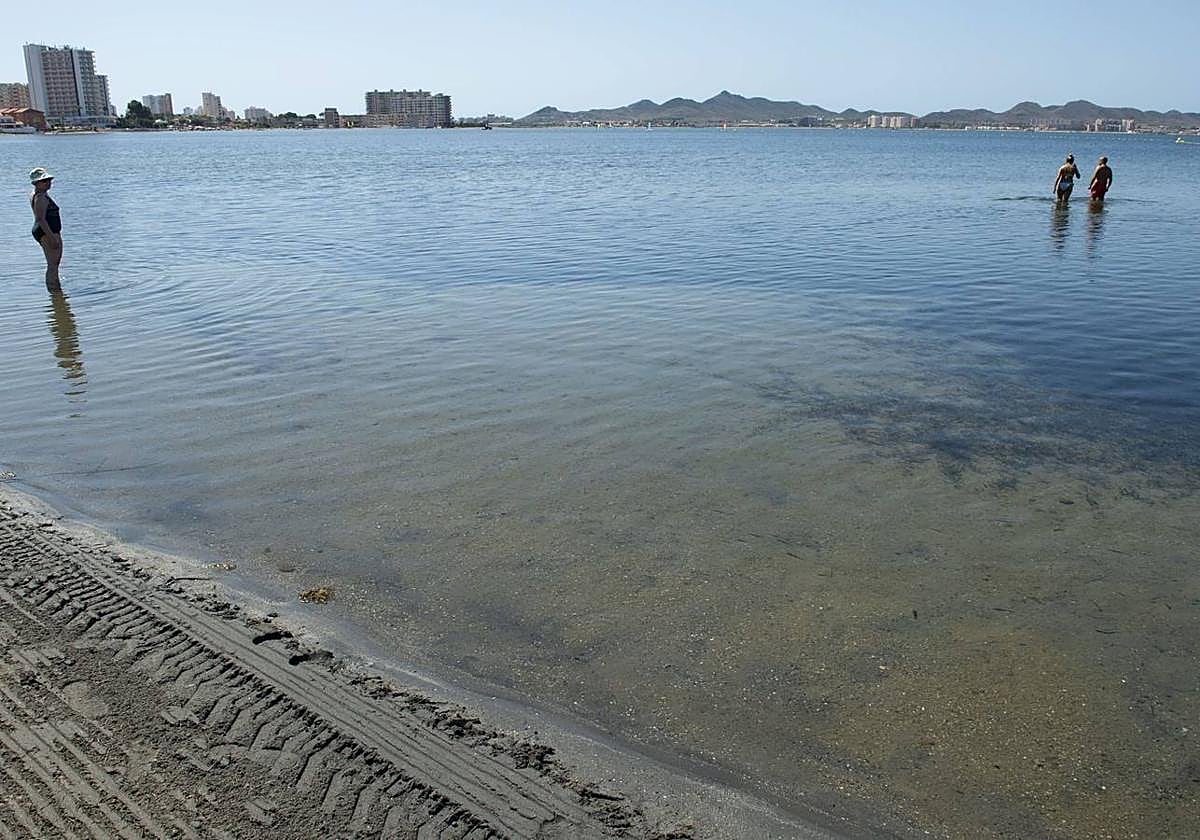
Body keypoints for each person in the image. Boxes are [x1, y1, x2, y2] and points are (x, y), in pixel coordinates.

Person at [29, 167, 63, 286]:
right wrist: (52, 238)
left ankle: (57, 298)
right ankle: (55, 291)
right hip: (47, 231)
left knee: (54, 264)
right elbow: (41, 219)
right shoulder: (41, 197)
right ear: (35, 183)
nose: (48, 183)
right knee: (53, 265)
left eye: (48, 180)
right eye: (44, 181)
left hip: (46, 230)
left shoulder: (39, 194)